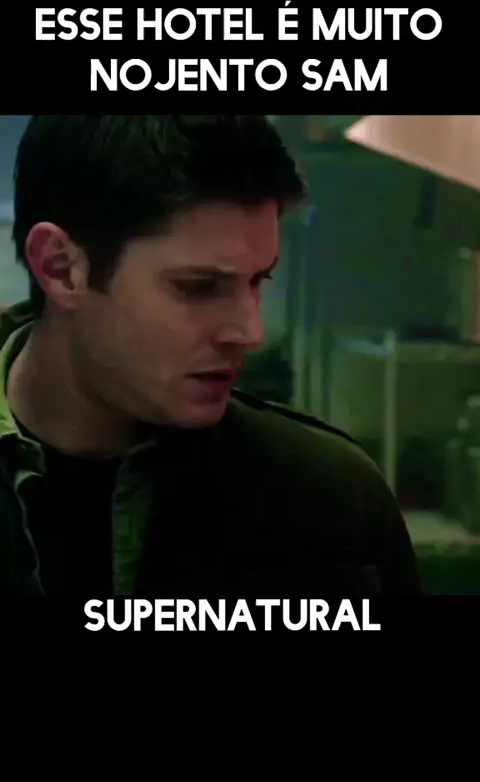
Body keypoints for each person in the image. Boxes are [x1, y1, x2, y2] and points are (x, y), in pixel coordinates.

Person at [0, 115, 422, 597]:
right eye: (199, 287)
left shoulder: (334, 502)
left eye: (257, 280)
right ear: (60, 267)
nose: (251, 332)